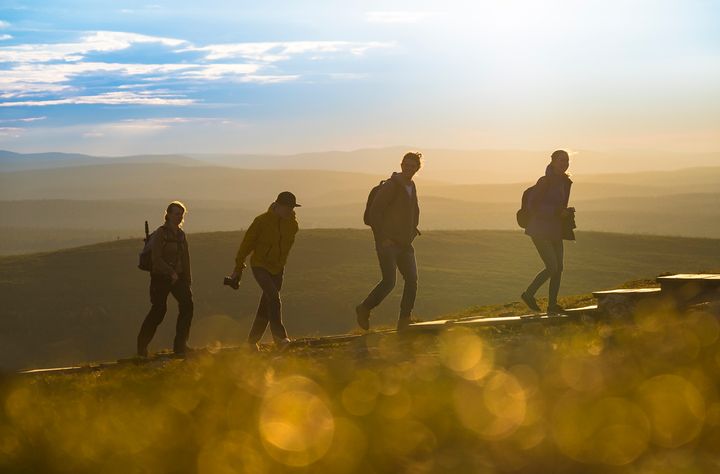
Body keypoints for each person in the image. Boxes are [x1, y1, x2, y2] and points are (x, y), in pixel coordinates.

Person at [356, 151, 422, 331]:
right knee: (389, 282)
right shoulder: (391, 186)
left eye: (412, 166)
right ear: (401, 165)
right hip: (388, 244)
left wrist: (412, 229)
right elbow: (374, 213)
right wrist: (383, 238)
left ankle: (404, 320)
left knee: (412, 280)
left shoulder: (411, 185)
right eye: (406, 165)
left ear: (417, 168)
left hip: (405, 243)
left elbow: (412, 210)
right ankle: (364, 308)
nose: (409, 168)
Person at [230, 192, 300, 350]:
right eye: (287, 207)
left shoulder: (293, 225)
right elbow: (246, 245)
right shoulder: (261, 221)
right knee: (274, 297)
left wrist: (280, 265)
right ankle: (280, 339)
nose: (290, 210)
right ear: (278, 205)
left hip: (278, 269)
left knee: (266, 305)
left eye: (292, 208)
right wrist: (238, 268)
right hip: (260, 265)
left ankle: (251, 342)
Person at [521, 150, 575, 314]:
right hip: (539, 230)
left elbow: (556, 205)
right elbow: (533, 206)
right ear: (552, 161)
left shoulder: (564, 181)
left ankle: (552, 306)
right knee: (552, 267)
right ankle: (528, 294)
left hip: (555, 229)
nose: (564, 163)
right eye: (561, 160)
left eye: (567, 160)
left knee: (559, 268)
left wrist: (565, 212)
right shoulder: (545, 181)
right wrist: (557, 211)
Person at [137, 201, 194, 357]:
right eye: (176, 214)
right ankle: (141, 347)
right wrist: (171, 272)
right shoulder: (161, 233)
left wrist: (187, 280)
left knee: (187, 305)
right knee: (159, 311)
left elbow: (185, 258)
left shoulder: (181, 235)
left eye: (181, 214)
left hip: (178, 277)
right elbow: (156, 258)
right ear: (168, 215)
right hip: (160, 278)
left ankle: (181, 345)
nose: (179, 217)